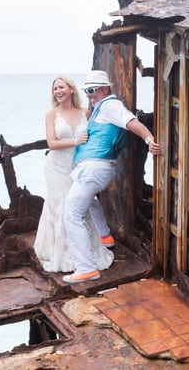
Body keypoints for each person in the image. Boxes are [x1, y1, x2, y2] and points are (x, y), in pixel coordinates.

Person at [62, 70, 162, 284]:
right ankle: (105, 237)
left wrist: (148, 138)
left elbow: (130, 120)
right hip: (95, 168)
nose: (89, 95)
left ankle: (86, 268)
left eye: (92, 90)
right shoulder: (100, 107)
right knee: (91, 202)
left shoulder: (110, 106)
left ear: (105, 89)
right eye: (86, 91)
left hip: (93, 169)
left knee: (71, 214)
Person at [34, 75, 114, 273]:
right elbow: (52, 143)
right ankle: (61, 252)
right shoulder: (51, 114)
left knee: (80, 206)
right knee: (60, 205)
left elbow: (97, 137)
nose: (58, 91)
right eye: (55, 89)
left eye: (61, 87)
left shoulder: (85, 113)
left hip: (79, 166)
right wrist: (76, 141)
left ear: (71, 89)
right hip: (56, 166)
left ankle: (86, 251)